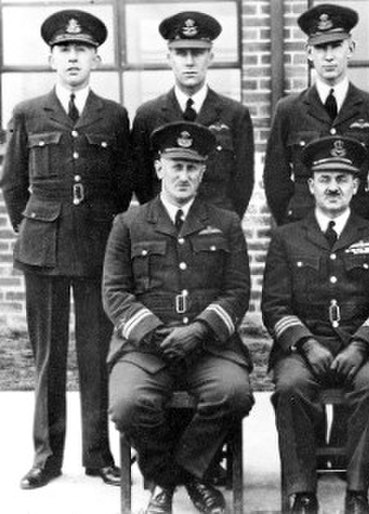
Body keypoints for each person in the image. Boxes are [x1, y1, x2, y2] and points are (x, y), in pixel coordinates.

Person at [0, 9, 131, 490]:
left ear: (96, 56)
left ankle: (98, 455)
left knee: (98, 353)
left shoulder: (113, 115)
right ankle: (46, 456)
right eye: (63, 50)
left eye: (81, 49)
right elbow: (13, 184)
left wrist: (100, 224)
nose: (72, 57)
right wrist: (34, 226)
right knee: (48, 356)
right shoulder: (29, 113)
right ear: (51, 57)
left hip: (97, 246)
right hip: (44, 249)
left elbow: (123, 188)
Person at [104, 121, 254, 514]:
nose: (183, 176)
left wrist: (200, 330)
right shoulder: (129, 224)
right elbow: (115, 293)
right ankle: (182, 478)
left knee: (234, 393)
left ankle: (176, 478)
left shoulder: (225, 223)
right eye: (176, 166)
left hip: (209, 347)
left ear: (204, 172)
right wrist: (155, 335)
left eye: (192, 167)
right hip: (146, 347)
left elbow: (237, 292)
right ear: (158, 168)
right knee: (127, 405)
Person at [262, 135, 369, 514]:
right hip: (305, 347)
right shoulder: (286, 238)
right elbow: (274, 306)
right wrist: (307, 344)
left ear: (357, 186)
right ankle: (303, 492)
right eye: (324, 178)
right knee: (290, 386)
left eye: (343, 178)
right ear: (310, 185)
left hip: (365, 347)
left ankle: (357, 492)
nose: (333, 187)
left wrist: (360, 346)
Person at [263, 3, 369, 227]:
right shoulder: (288, 109)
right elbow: (274, 178)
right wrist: (291, 223)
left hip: (359, 226)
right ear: (308, 53)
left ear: (351, 48)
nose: (328, 56)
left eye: (336, 46)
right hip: (302, 227)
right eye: (320, 48)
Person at [131, 11, 254, 218]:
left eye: (197, 53)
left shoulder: (234, 114)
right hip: (163, 229)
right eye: (181, 53)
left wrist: (225, 223)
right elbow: (141, 181)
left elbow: (242, 183)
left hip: (215, 229)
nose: (189, 62)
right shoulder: (148, 115)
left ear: (210, 57)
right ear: (169, 57)